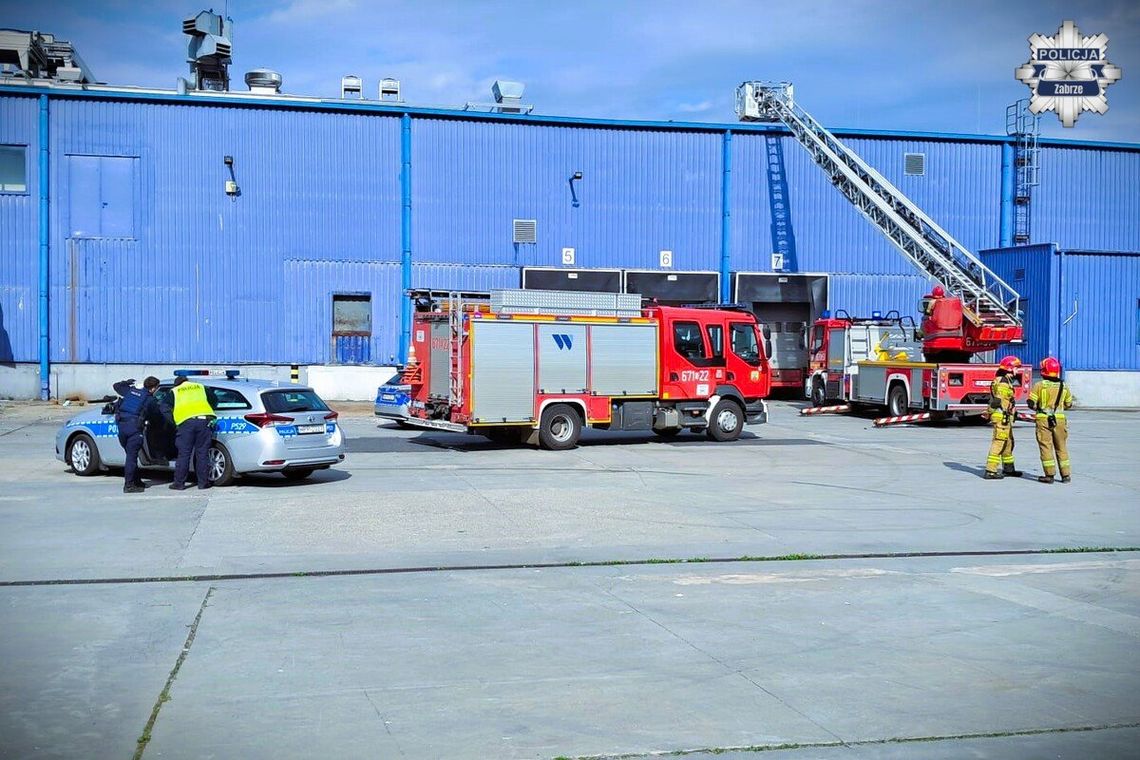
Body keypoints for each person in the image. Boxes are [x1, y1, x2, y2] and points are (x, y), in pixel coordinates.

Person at [1027, 357, 1074, 484]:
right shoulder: (1064, 386)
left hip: (1043, 419)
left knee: (1046, 446)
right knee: (1061, 447)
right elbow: (1069, 404)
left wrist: (1039, 407)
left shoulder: (1039, 385)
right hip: (1059, 420)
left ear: (1044, 371)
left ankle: (1049, 475)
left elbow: (1031, 403)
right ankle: (1066, 475)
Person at [112, 376, 160, 493]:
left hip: (122, 428)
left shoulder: (131, 391)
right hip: (134, 429)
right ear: (153, 389)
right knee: (132, 458)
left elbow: (116, 386)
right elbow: (157, 415)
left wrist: (126, 382)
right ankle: (129, 485)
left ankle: (136, 481)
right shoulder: (149, 399)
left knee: (131, 456)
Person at [168, 375, 217, 490]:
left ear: (177, 384)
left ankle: (179, 484)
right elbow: (214, 400)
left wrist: (173, 422)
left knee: (184, 454)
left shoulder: (174, 391)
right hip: (204, 422)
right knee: (202, 454)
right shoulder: (200, 387)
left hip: (186, 424)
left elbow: (164, 407)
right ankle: (203, 483)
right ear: (187, 381)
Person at [983, 356, 1023, 480]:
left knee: (1008, 442)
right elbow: (996, 401)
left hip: (1006, 416)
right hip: (1001, 416)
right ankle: (990, 470)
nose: (1018, 371)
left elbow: (1007, 399)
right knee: (999, 442)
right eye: (1016, 368)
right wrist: (988, 412)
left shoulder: (1006, 380)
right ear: (1010, 368)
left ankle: (1009, 469)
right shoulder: (1003, 383)